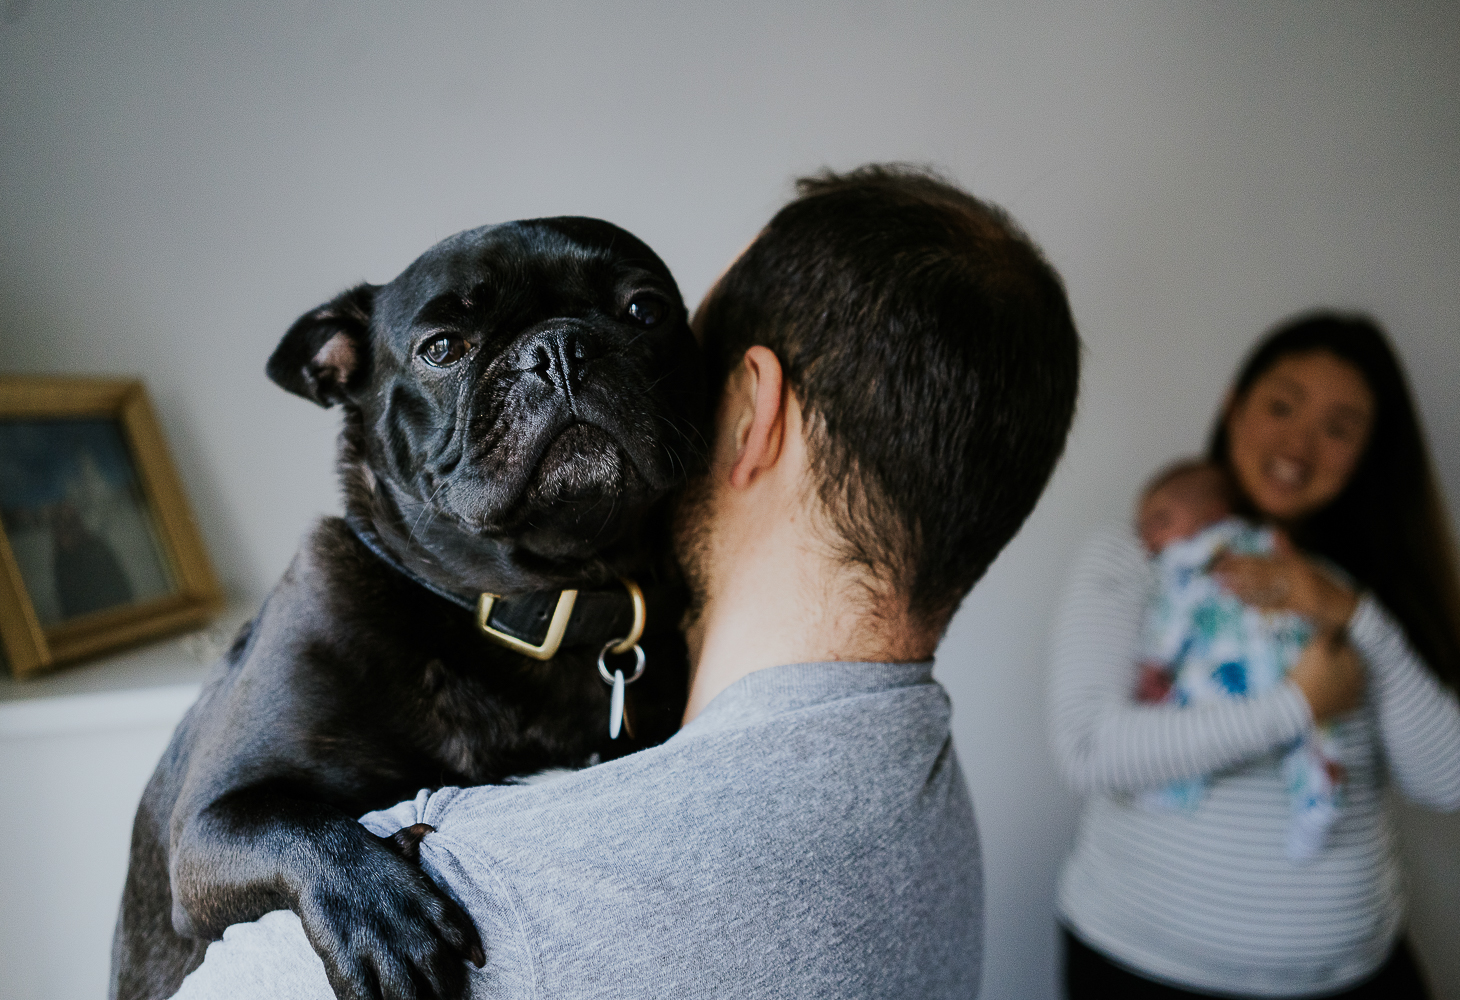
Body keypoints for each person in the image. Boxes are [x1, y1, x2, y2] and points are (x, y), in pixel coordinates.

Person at [170, 164, 1082, 999]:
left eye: (644, 317)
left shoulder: (517, 899)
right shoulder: (925, 799)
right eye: (450, 346)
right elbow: (208, 849)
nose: (558, 365)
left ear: (750, 410)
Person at [1049, 312, 1460, 998]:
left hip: (1352, 980)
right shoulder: (1140, 557)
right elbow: (1089, 749)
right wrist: (1296, 706)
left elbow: (1452, 781)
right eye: (1281, 406)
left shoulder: (1370, 596)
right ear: (1233, 406)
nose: (1299, 443)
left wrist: (1353, 615)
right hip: (1143, 970)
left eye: (1339, 428)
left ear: (1369, 451)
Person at [1131, 458, 1344, 863]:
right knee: (1312, 738)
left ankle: (1169, 791)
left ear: (1213, 513)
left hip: (1227, 667)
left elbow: (1173, 615)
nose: (1149, 536)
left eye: (1161, 519)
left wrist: (1155, 661)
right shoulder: (1266, 541)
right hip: (1285, 661)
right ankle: (1319, 801)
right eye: (1143, 528)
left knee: (1182, 715)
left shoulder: (1185, 557)